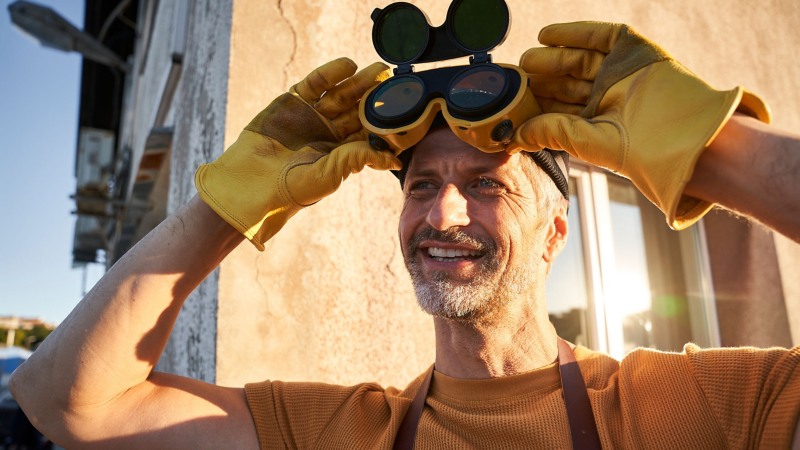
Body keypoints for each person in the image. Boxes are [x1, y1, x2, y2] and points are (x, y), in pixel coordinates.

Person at [9, 22, 800, 450]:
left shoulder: (694, 409)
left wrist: (713, 148)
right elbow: (68, 404)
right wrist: (227, 201)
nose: (443, 214)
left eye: (487, 183)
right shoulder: (345, 431)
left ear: (558, 230)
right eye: (422, 185)